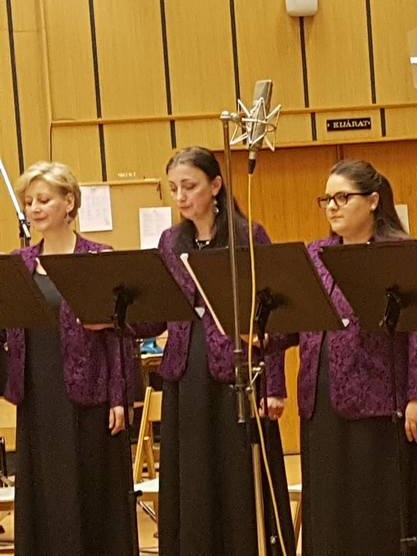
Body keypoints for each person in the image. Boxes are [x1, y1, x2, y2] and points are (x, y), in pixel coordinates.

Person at [268, 159, 417, 555]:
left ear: (373, 200)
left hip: (378, 400)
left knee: (374, 508)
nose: (332, 206)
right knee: (329, 509)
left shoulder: (398, 252)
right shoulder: (316, 253)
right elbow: (298, 317)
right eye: (327, 199)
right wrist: (264, 336)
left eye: (343, 197)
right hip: (319, 397)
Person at [134, 146, 295, 555]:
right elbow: (159, 310)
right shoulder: (170, 241)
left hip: (235, 372)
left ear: (216, 185)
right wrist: (115, 315)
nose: (181, 196)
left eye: (189, 186)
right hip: (186, 372)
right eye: (174, 188)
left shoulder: (248, 236)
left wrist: (274, 386)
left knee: (237, 473)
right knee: (193, 475)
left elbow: (271, 314)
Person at [3, 161, 134, 554]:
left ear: (69, 203)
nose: (34, 208)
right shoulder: (19, 262)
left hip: (90, 394)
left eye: (44, 200)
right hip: (37, 394)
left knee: (92, 493)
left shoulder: (98, 257)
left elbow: (119, 334)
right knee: (45, 494)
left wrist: (119, 395)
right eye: (29, 201)